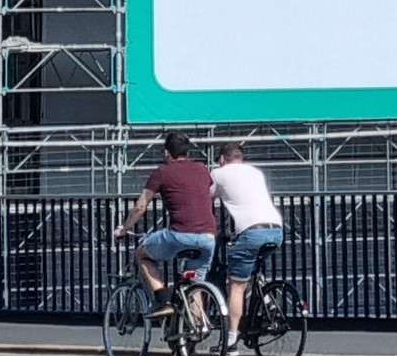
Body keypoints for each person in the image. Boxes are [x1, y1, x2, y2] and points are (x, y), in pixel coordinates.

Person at [121, 130, 218, 314]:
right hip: (208, 236)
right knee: (195, 283)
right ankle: (199, 325)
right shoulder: (202, 169)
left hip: (180, 234)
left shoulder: (162, 172)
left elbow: (141, 206)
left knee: (142, 254)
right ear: (187, 152)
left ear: (166, 152)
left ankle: (163, 300)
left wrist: (124, 229)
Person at [211, 134, 286, 341]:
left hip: (251, 232)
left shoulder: (218, 173)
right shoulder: (255, 172)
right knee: (252, 269)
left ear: (222, 159)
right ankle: (268, 301)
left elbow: (205, 197)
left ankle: (231, 339)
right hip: (276, 229)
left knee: (236, 286)